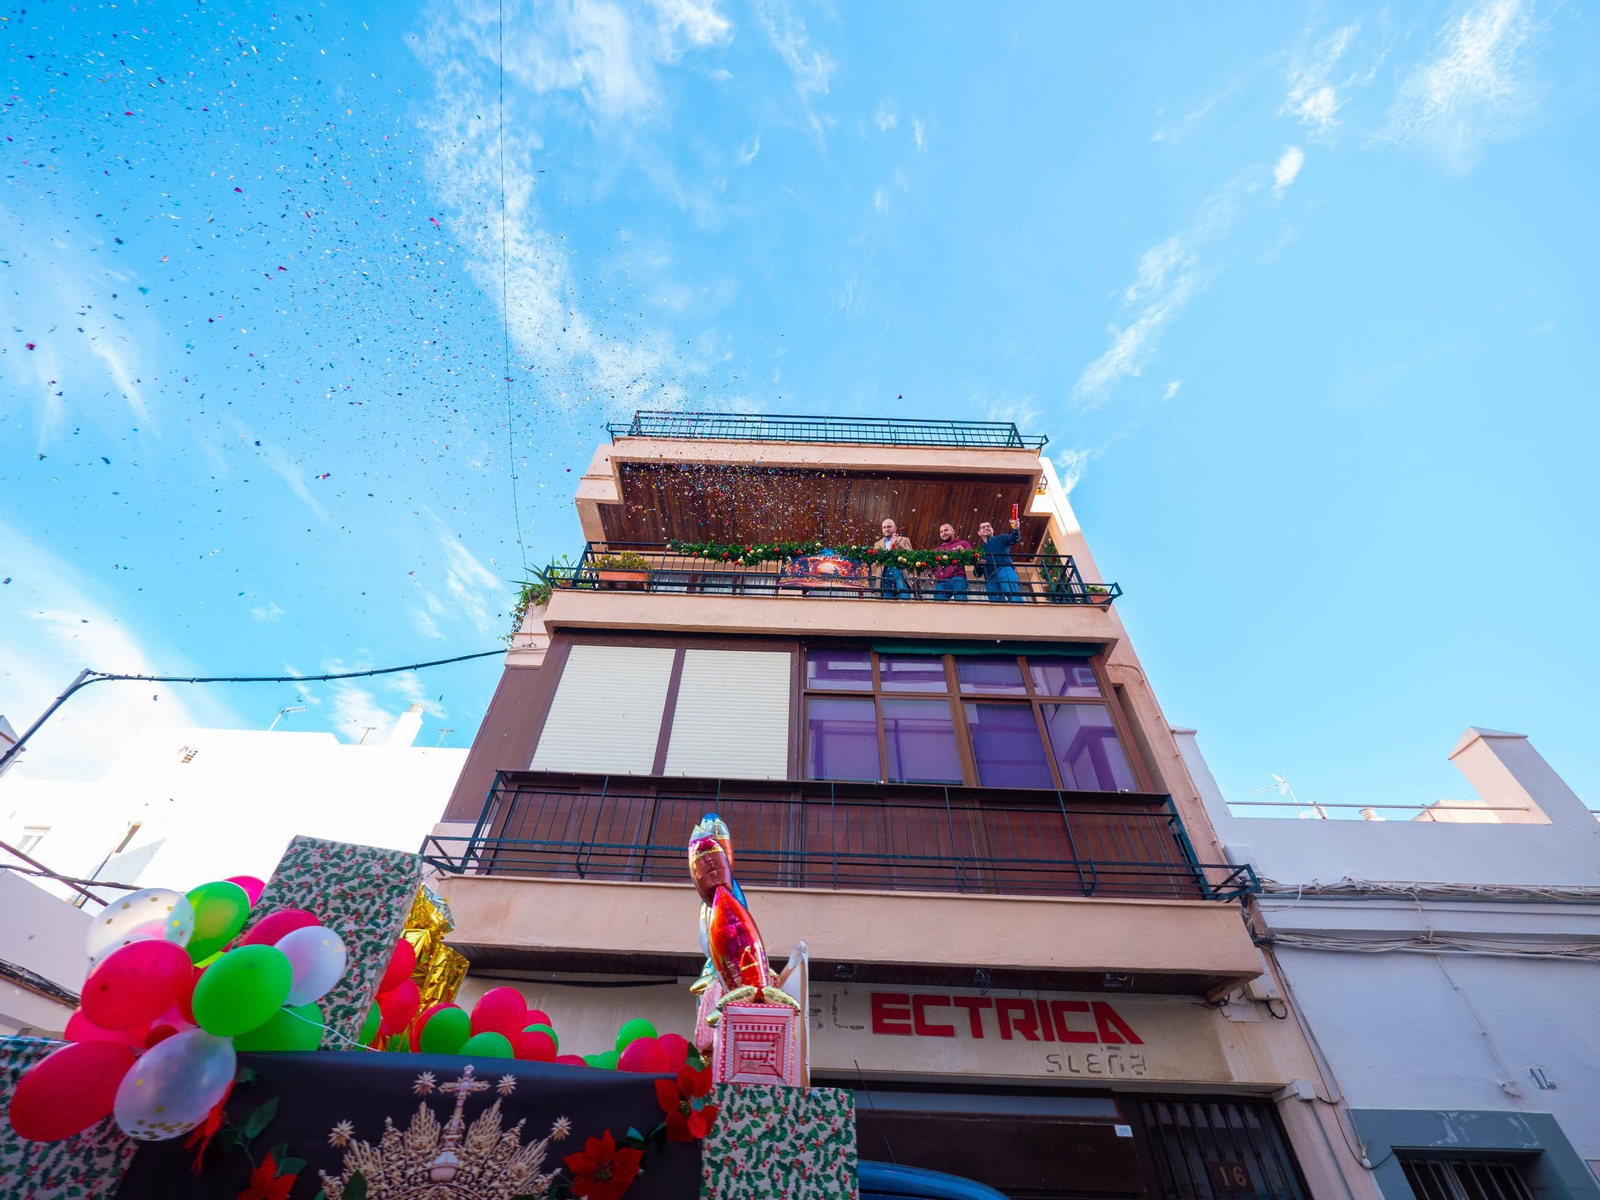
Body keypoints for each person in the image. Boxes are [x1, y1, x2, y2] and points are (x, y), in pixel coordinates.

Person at [975, 516, 1023, 602]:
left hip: (1004, 570)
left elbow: (1014, 539)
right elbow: (977, 573)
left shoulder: (1001, 538)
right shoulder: (979, 551)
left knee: (1012, 595)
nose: (986, 528)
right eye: (983, 527)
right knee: (996, 604)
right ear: (979, 533)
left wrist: (1015, 529)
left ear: (992, 530)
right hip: (990, 579)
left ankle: (1018, 610)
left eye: (988, 526)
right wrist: (978, 564)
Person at [930, 522, 972, 601]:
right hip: (941, 582)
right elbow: (930, 564)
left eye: (946, 530)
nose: (943, 533)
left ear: (953, 531)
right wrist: (929, 574)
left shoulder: (962, 543)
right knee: (938, 605)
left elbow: (973, 557)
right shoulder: (936, 550)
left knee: (961, 602)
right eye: (941, 532)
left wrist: (965, 553)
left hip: (957, 578)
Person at [875, 518, 914, 599]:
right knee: (887, 597)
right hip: (884, 571)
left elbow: (911, 555)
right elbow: (876, 560)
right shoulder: (877, 544)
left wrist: (898, 544)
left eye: (889, 527)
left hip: (899, 570)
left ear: (895, 528)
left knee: (903, 593)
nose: (886, 529)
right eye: (884, 527)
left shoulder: (904, 540)